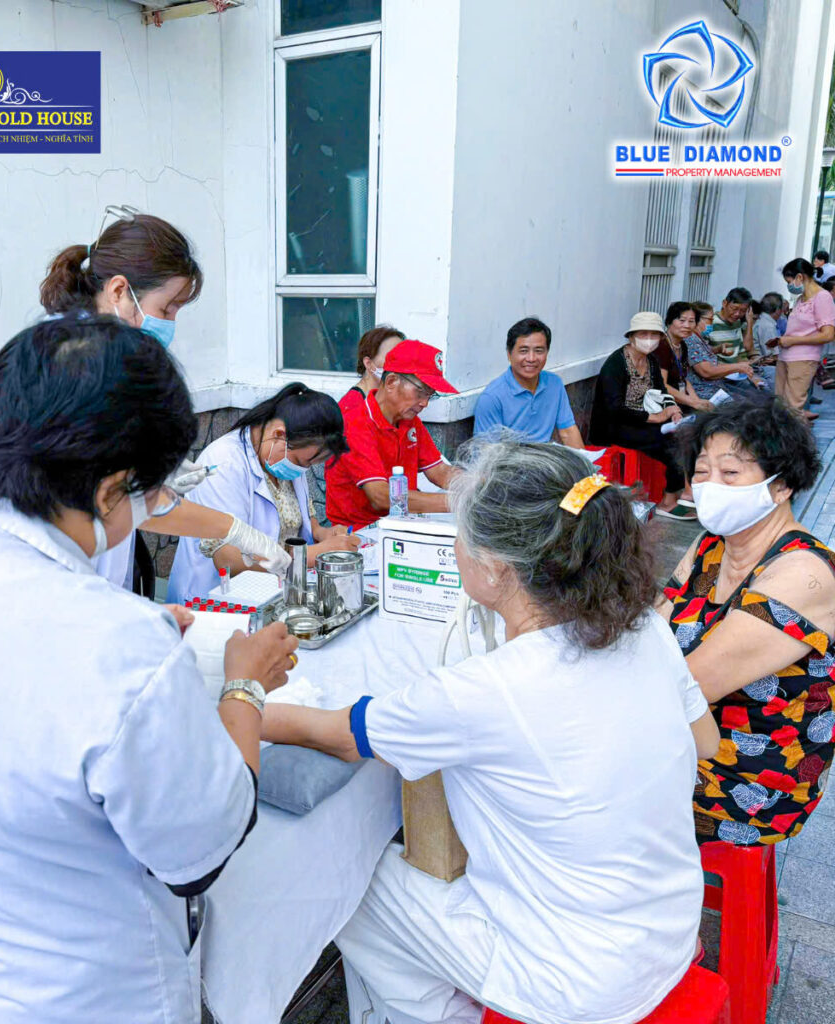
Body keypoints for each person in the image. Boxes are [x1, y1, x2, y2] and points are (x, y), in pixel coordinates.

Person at [0, 315, 300, 1023]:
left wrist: (128, 646)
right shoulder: (117, 650)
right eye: (149, 496)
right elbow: (202, 847)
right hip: (77, 998)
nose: (149, 511)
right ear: (108, 492)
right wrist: (243, 686)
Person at [265, 440, 719, 1024]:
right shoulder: (645, 631)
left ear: (496, 566)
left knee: (349, 875)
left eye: (461, 535)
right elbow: (705, 742)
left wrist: (241, 695)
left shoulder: (485, 691)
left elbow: (340, 733)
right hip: (671, 927)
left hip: (580, 983)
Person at [40, 205, 291, 592]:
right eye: (167, 307)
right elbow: (124, 502)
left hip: (91, 572)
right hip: (58, 573)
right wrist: (235, 530)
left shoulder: (105, 357)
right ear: (119, 291)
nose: (171, 321)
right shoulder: (75, 365)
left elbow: (126, 496)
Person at [658, 396, 835, 846]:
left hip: (750, 781)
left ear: (781, 486)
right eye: (702, 471)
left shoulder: (804, 573)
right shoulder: (712, 546)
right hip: (684, 738)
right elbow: (651, 628)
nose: (710, 485)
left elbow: (685, 687)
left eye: (731, 473)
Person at [168, 384, 358, 603]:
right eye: (301, 462)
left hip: (276, 591)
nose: (302, 469)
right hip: (219, 601)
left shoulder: (284, 455)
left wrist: (322, 533)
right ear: (279, 435)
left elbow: (303, 515)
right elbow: (229, 559)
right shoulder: (224, 464)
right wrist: (315, 554)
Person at [326, 340, 458, 527]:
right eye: (420, 392)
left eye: (430, 395)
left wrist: (481, 486)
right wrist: (459, 502)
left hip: (402, 522)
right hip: (360, 532)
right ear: (391, 382)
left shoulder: (410, 421)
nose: (425, 403)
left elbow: (439, 471)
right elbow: (380, 496)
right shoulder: (355, 424)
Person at [589, 311, 696, 520]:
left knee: (685, 432)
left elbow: (661, 390)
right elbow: (613, 408)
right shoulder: (616, 364)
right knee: (667, 443)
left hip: (642, 420)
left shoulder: (651, 361)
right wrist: (653, 418)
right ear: (631, 337)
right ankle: (671, 500)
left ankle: (681, 492)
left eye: (654, 335)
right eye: (643, 334)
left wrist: (673, 408)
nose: (649, 339)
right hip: (614, 425)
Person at [472, 317, 584, 447]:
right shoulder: (492, 397)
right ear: (509, 354)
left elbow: (568, 432)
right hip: (507, 459)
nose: (531, 358)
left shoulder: (555, 384)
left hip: (545, 457)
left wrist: (583, 460)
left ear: (547, 353)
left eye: (539, 351)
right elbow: (487, 453)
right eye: (523, 351)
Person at [773, 257, 835, 412]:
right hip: (786, 357)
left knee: (793, 408)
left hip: (803, 359)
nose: (789, 286)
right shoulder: (801, 299)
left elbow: (828, 334)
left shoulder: (822, 297)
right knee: (780, 406)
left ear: (800, 277)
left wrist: (793, 340)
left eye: (789, 282)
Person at [685, 301, 763, 402]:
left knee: (755, 397)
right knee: (749, 403)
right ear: (697, 320)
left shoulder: (700, 339)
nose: (712, 323)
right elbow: (706, 371)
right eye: (710, 319)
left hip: (716, 387)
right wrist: (737, 367)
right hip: (705, 392)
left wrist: (718, 351)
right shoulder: (691, 340)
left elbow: (707, 359)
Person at [654, 301, 711, 412]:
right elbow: (662, 385)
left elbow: (683, 378)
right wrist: (693, 403)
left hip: (681, 399)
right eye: (682, 320)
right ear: (669, 321)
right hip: (665, 403)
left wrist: (697, 400)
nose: (687, 326)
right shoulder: (661, 346)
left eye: (691, 321)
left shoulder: (682, 345)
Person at [340, 325, 406, 416]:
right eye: (392, 357)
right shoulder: (352, 406)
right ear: (369, 364)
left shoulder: (387, 399)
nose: (401, 364)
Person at [710, 287, 756, 364]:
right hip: (722, 369)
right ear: (724, 303)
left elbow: (746, 348)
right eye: (734, 308)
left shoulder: (737, 322)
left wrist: (750, 323)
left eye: (743, 311)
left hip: (739, 367)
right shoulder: (711, 323)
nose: (737, 314)